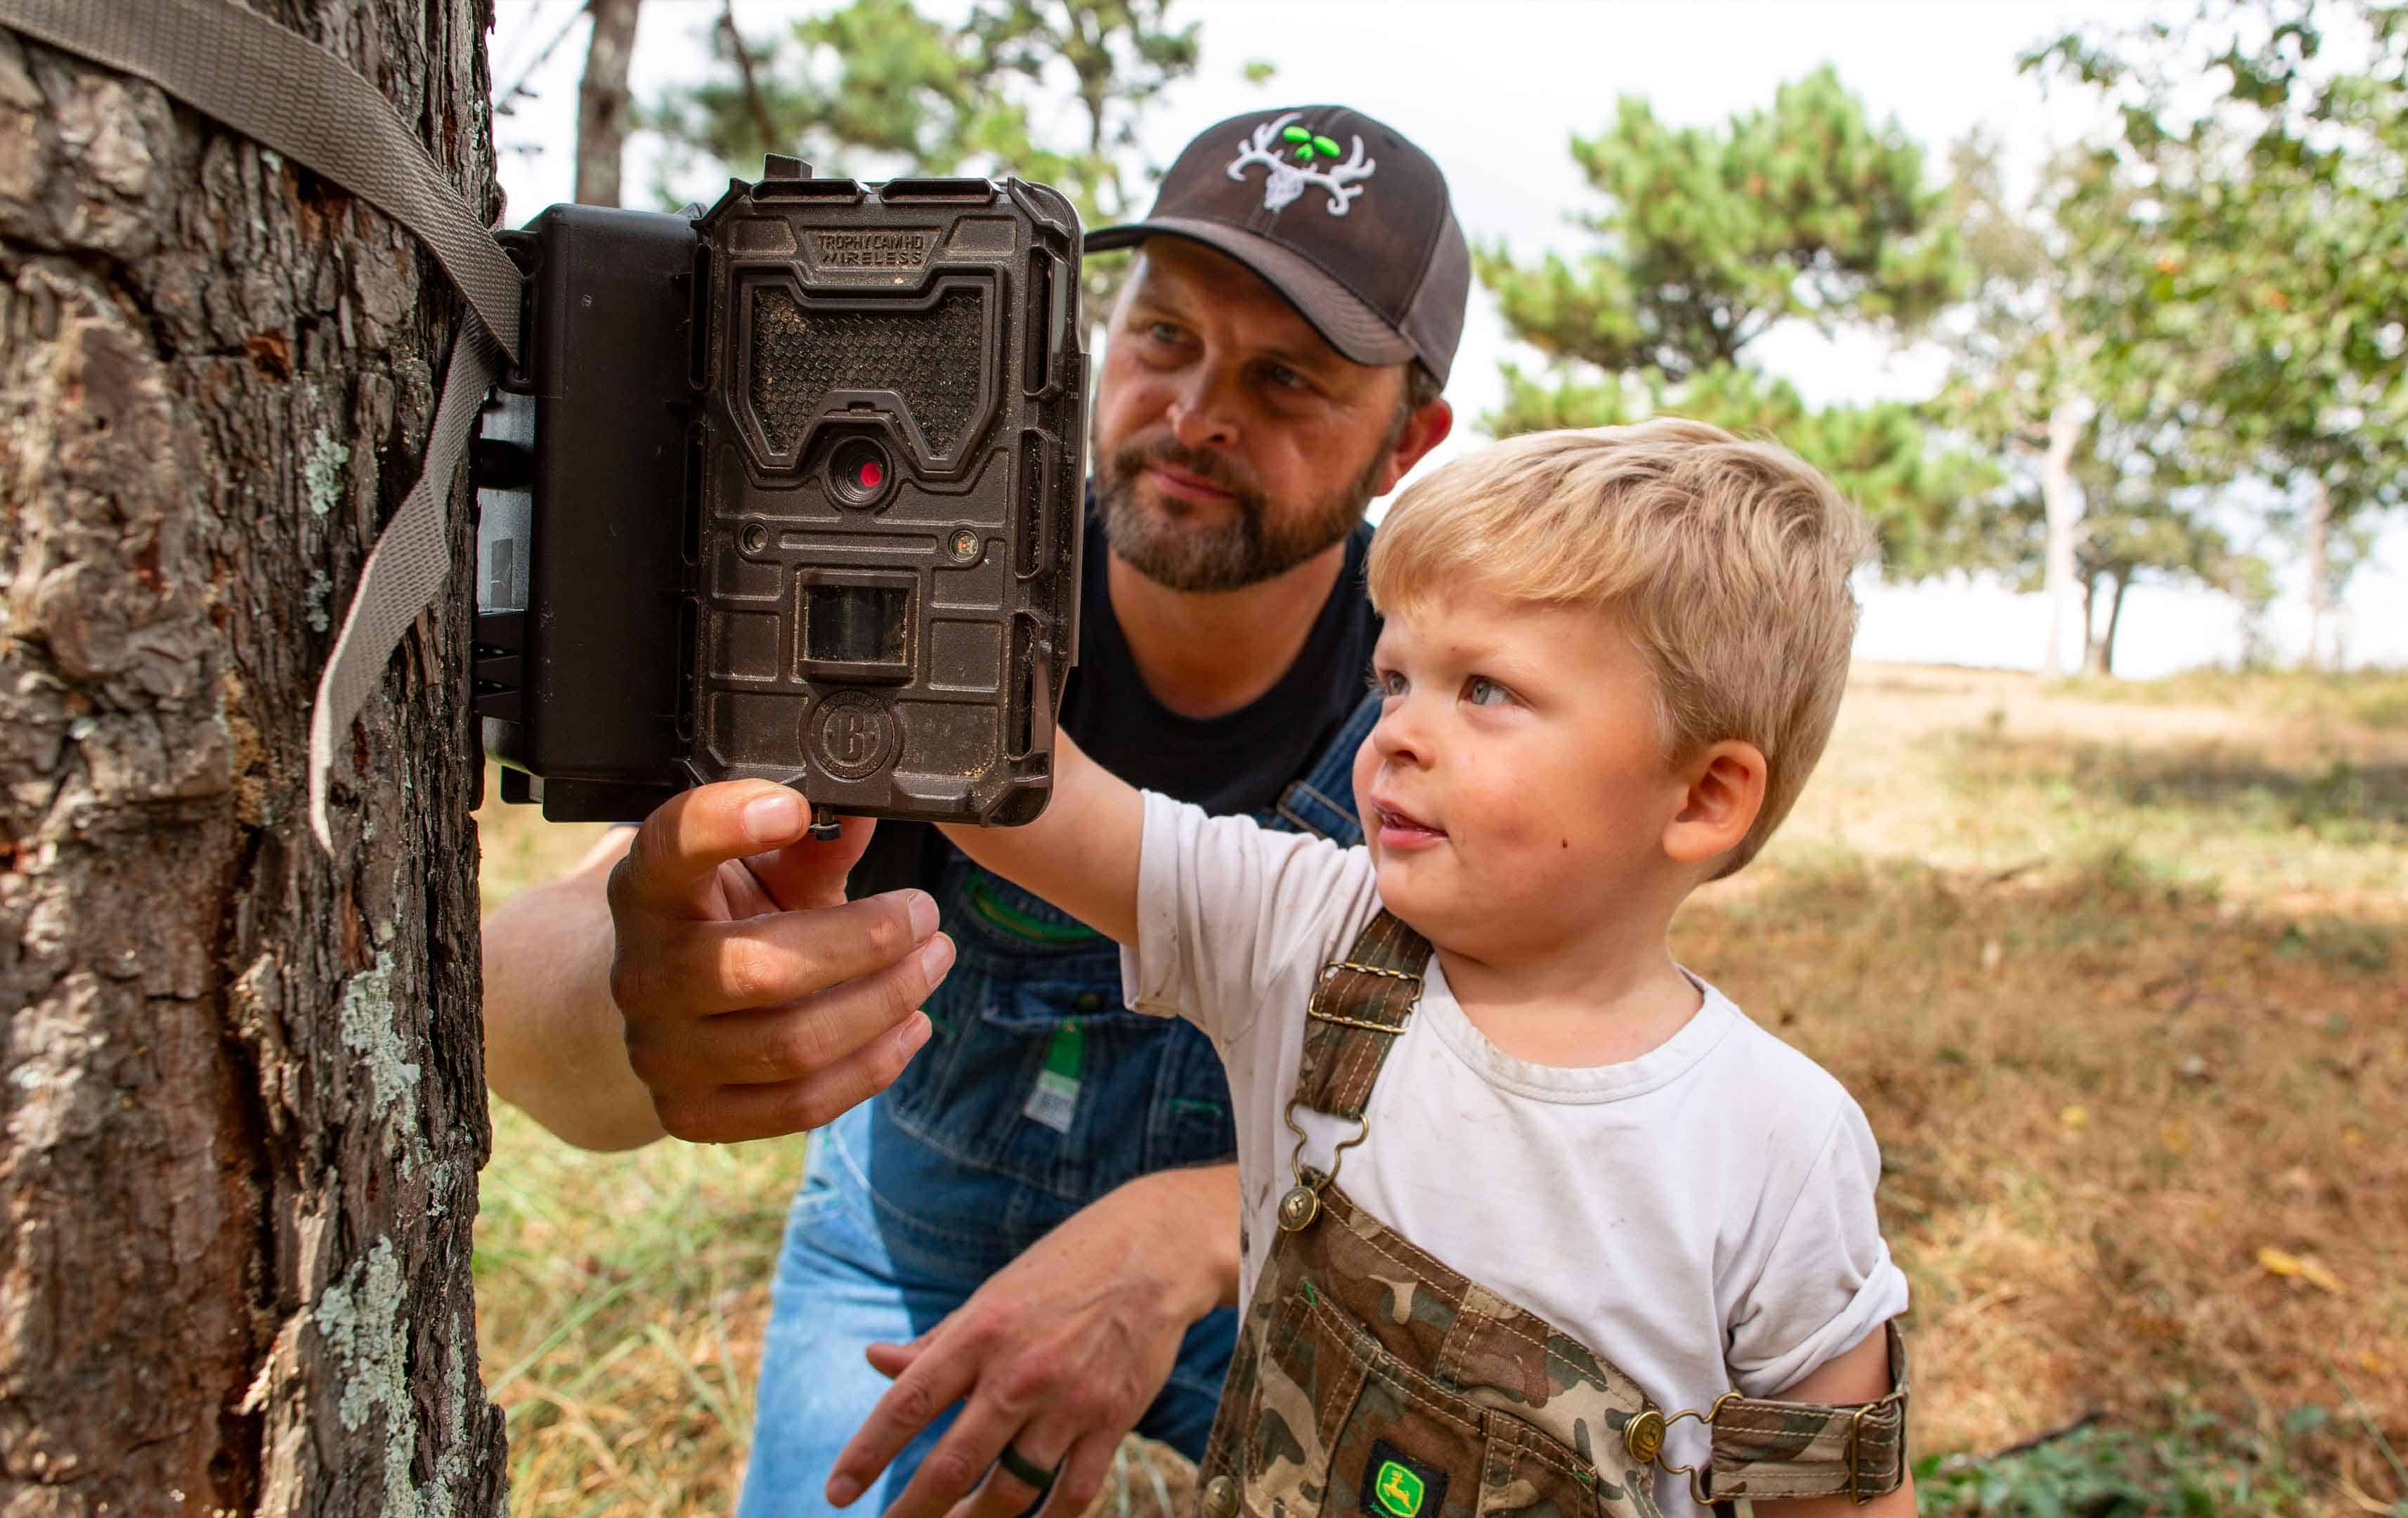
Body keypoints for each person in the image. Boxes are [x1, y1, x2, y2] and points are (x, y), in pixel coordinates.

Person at [481, 104, 1469, 1518]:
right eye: (1165, 338)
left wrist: (1198, 1225)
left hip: (1291, 1266)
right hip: (910, 1262)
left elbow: (1549, 1096)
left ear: (1407, 441)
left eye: (1289, 379)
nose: (1193, 416)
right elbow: (538, 976)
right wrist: (645, 1000)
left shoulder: (1446, 710)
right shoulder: (918, 566)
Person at [826, 420, 1915, 1518]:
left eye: (1483, 690)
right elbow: (1040, 802)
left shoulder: (1777, 1144)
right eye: (1395, 680)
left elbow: (1839, 1498)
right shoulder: (1309, 931)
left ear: (1702, 798)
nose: (1395, 735)